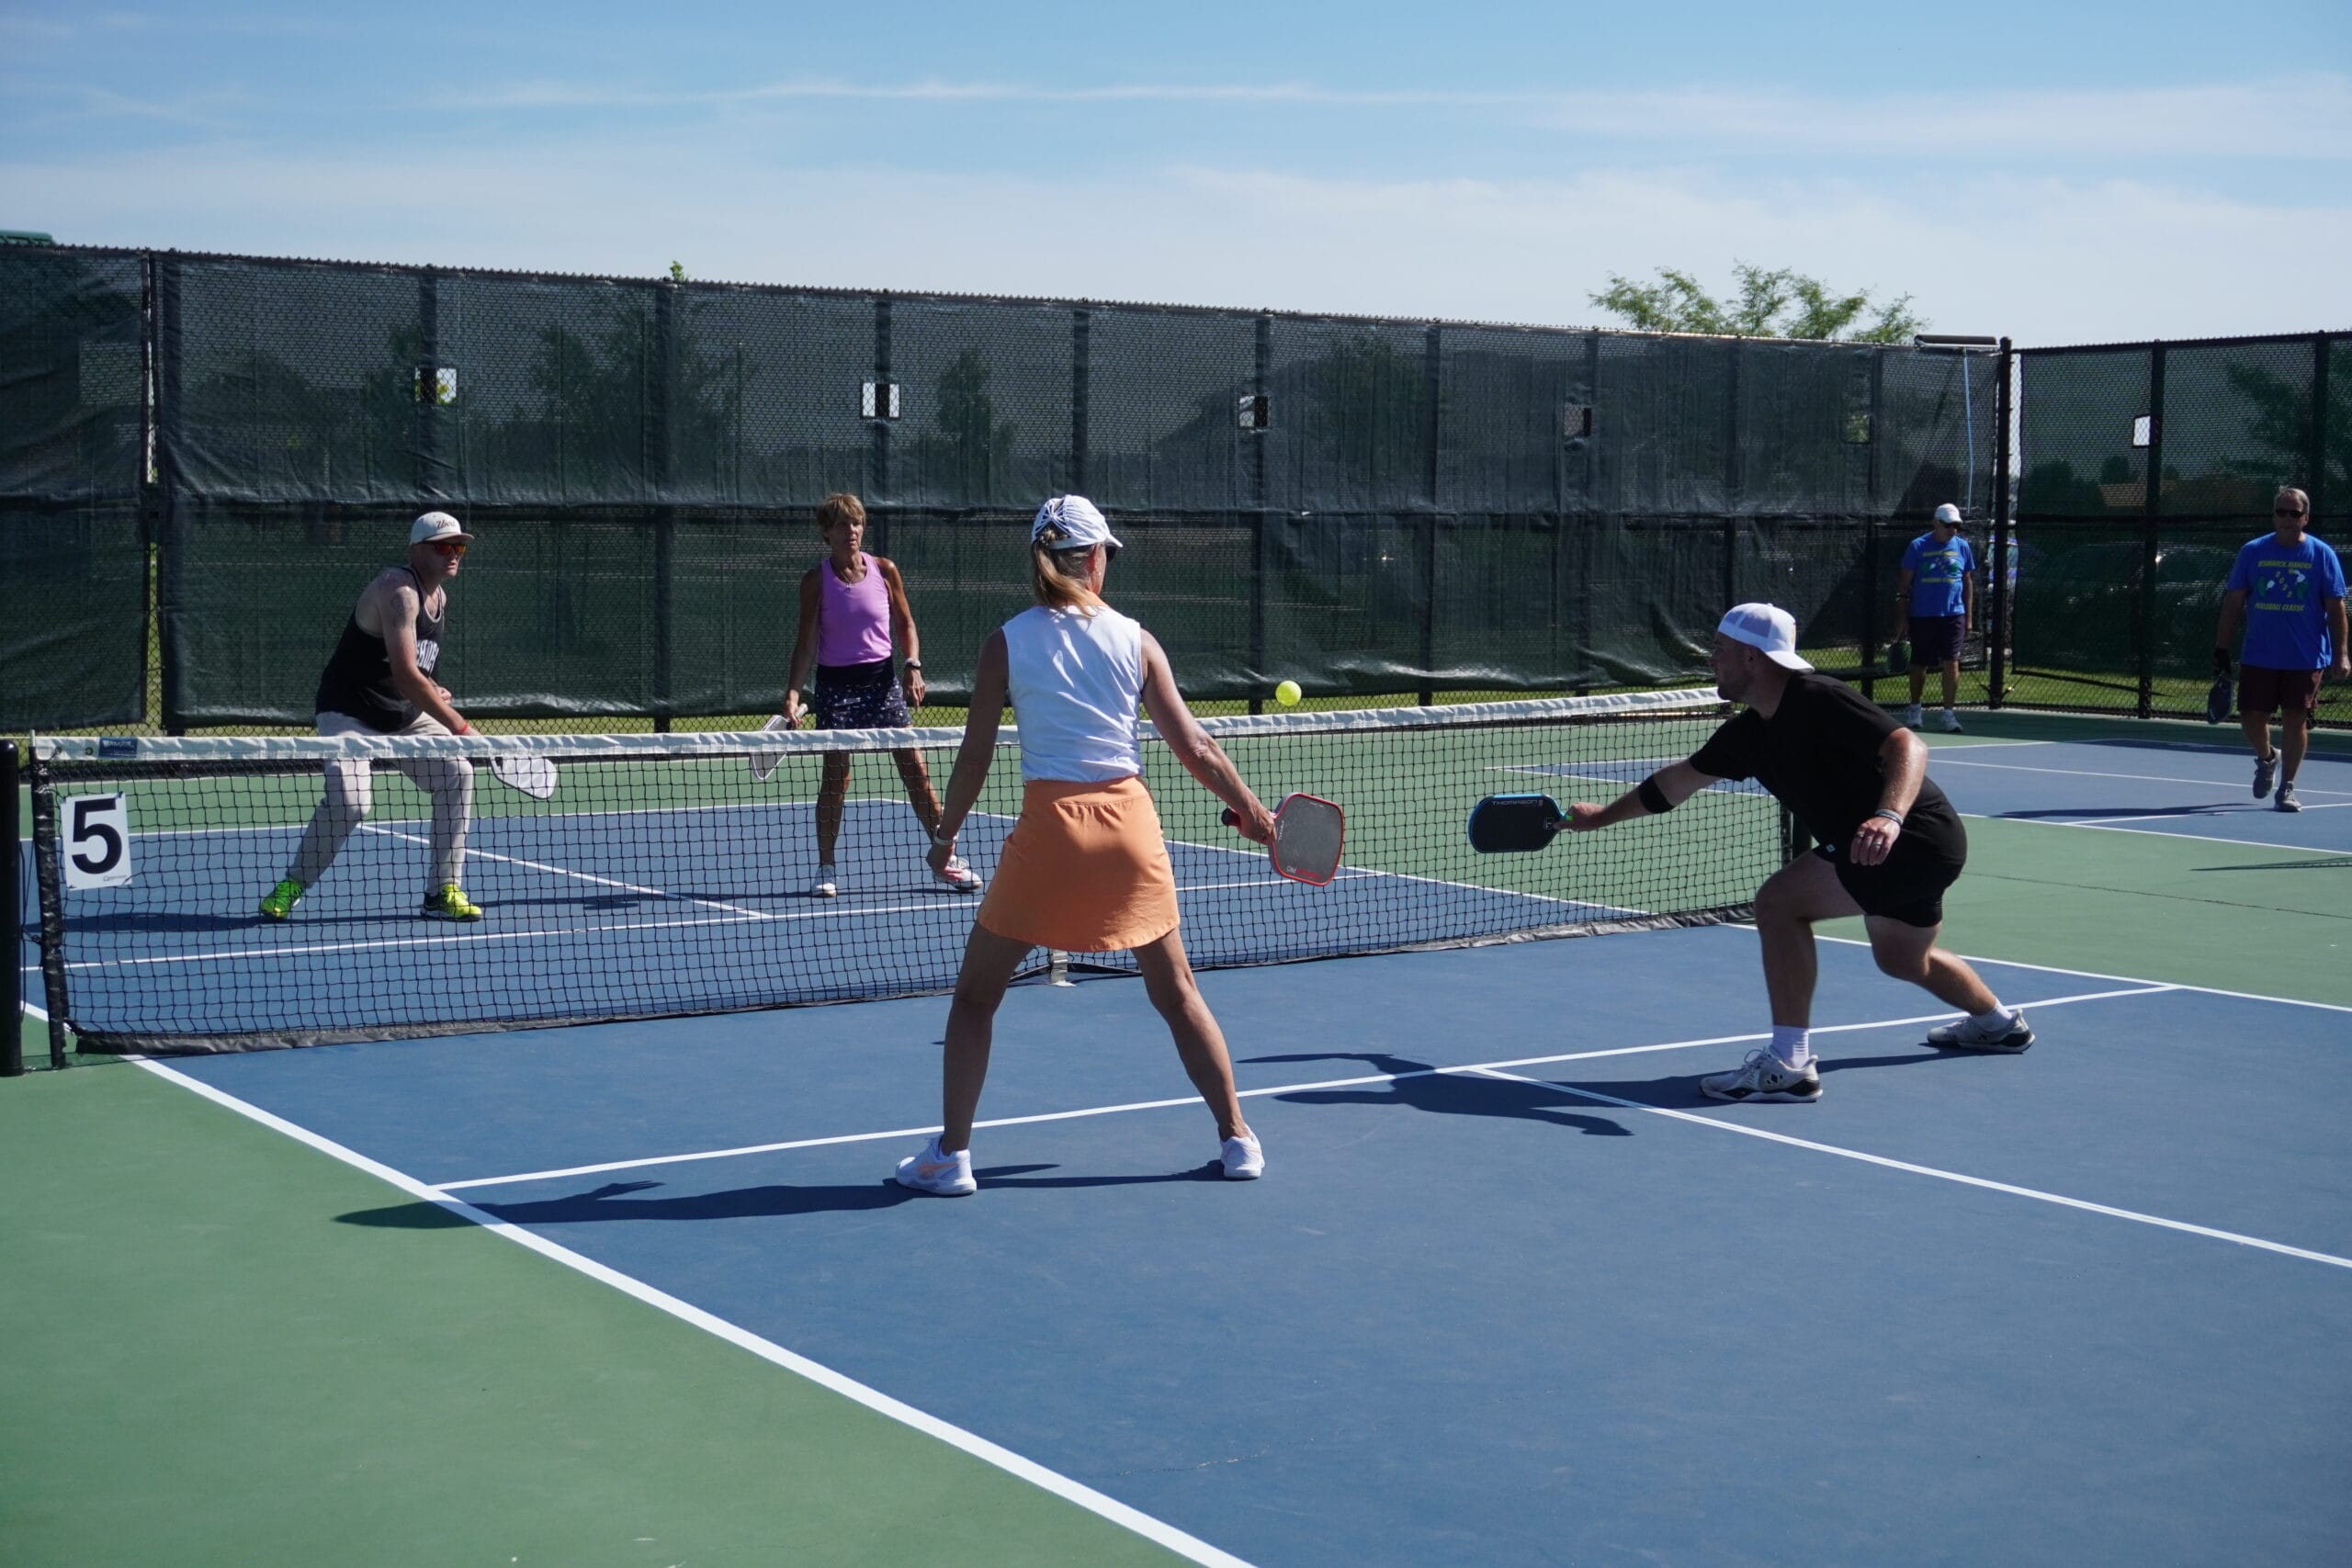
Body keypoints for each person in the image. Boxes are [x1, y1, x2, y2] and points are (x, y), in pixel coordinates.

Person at [890, 496, 1276, 1194]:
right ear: (1094, 559)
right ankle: (1238, 1138)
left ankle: (951, 1156)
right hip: (1131, 830)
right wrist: (1251, 811)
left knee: (976, 998)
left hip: (1052, 834)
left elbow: (974, 759)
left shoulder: (1005, 641)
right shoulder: (1137, 637)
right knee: (1178, 989)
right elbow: (1195, 745)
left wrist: (944, 835)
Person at [1564, 603, 2031, 1104]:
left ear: (1751, 657)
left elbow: (1908, 746)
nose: (1712, 661)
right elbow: (1674, 784)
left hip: (1911, 837)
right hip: (1914, 848)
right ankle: (1999, 1024)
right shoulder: (1746, 735)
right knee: (1901, 959)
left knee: (1779, 903)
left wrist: (1888, 817)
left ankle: (1788, 1063)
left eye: (1720, 651)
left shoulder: (1819, 698)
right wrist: (1599, 818)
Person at [259, 511, 481, 922]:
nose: (454, 554)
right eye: (443, 546)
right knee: (351, 802)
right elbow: (403, 672)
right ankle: (292, 884)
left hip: (402, 715)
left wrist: (433, 689)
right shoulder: (399, 590)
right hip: (349, 712)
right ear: (416, 550)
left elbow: (417, 671)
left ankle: (441, 892)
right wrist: (459, 724)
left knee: (458, 774)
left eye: (459, 546)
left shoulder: (440, 599)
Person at [781, 492, 980, 897]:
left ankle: (947, 860)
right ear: (826, 533)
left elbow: (906, 624)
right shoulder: (815, 581)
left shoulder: (885, 570)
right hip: (836, 688)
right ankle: (826, 867)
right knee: (836, 779)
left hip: (882, 683)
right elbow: (806, 643)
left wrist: (912, 665)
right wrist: (792, 692)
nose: (850, 531)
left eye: (855, 523)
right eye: (841, 525)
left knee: (917, 773)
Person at [2212, 488, 2348, 814]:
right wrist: (2221, 648)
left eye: (2293, 513)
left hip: (2304, 655)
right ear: (2273, 515)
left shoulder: (2321, 554)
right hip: (2259, 653)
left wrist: (2341, 653)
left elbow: (2336, 607)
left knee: (2295, 719)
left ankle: (2287, 787)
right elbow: (2233, 602)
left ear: (2305, 518)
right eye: (2280, 512)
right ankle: (2266, 757)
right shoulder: (2252, 551)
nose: (2286, 519)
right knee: (2250, 718)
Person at [1894, 502, 1976, 732]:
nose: (1953, 529)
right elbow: (1903, 586)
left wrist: (1969, 616)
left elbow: (1967, 582)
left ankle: (1948, 714)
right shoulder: (1917, 546)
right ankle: (1915, 710)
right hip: (1923, 615)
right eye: (1948, 525)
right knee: (1920, 664)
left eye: (1957, 525)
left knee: (1952, 662)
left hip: (1953, 615)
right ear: (1936, 523)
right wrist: (1902, 618)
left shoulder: (1962, 547)